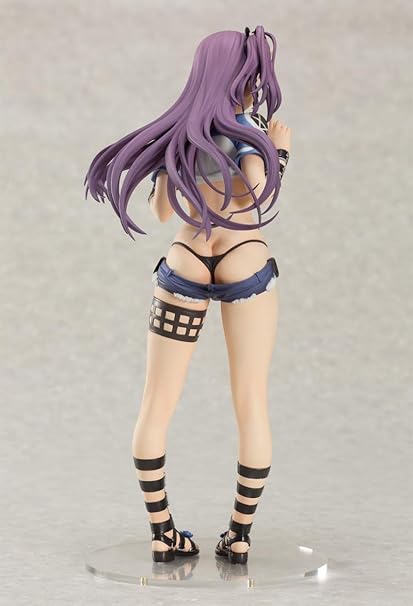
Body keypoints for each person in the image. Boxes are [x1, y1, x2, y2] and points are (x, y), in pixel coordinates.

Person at [84, 25, 291, 565]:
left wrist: (179, 170)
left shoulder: (183, 134)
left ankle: (162, 533)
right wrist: (279, 152)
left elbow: (161, 213)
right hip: (245, 257)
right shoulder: (250, 127)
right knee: (250, 399)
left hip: (185, 258)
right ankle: (239, 536)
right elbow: (255, 193)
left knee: (156, 403)